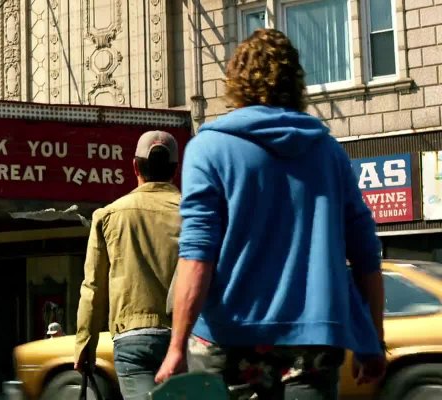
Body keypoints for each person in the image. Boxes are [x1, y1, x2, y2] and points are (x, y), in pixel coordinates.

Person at [156, 28, 387, 399]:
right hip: (313, 343)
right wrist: (373, 338)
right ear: (296, 84)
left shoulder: (208, 149)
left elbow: (198, 255)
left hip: (227, 339)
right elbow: (365, 254)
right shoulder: (328, 153)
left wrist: (177, 346)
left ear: (235, 82)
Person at [75, 130, 182, 400]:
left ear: (134, 166)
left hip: (132, 339)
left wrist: (85, 346)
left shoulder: (109, 215)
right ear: (175, 169)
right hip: (186, 335)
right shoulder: (193, 211)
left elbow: (93, 288)